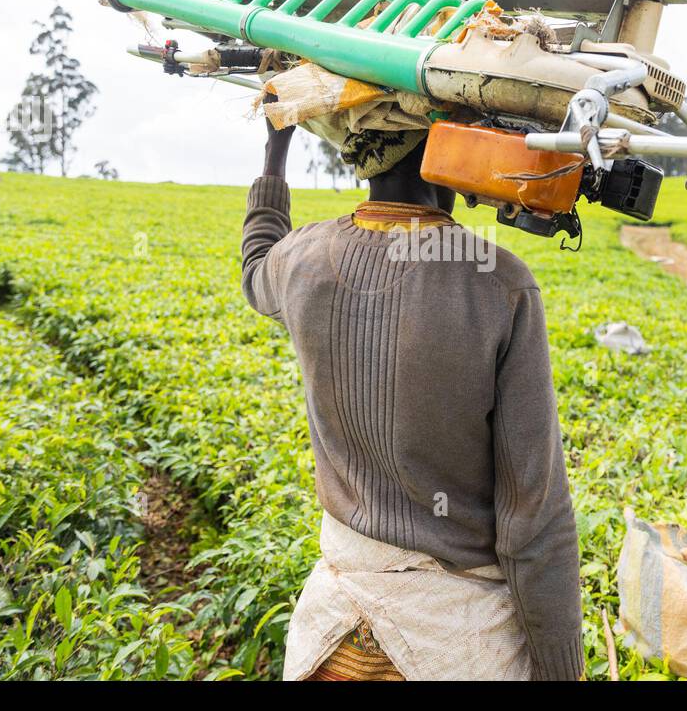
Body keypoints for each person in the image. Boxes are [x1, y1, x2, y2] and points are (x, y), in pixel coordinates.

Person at [239, 103, 583, 681]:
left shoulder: (301, 260)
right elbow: (533, 519)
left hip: (333, 628)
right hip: (453, 641)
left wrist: (277, 143)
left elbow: (254, 267)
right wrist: (562, 670)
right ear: (456, 152)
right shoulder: (500, 282)